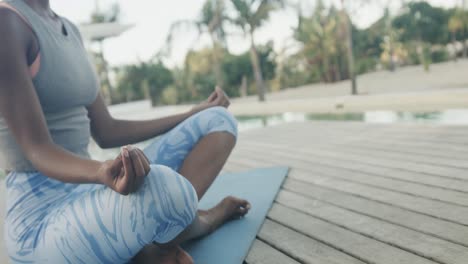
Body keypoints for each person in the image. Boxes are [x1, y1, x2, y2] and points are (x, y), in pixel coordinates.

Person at [0, 0, 251, 263]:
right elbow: (38, 150)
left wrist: (190, 115)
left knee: (217, 120)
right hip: (40, 219)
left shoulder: (69, 30)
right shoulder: (7, 22)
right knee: (165, 189)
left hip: (87, 190)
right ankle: (202, 221)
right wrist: (100, 171)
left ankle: (159, 243)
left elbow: (108, 130)